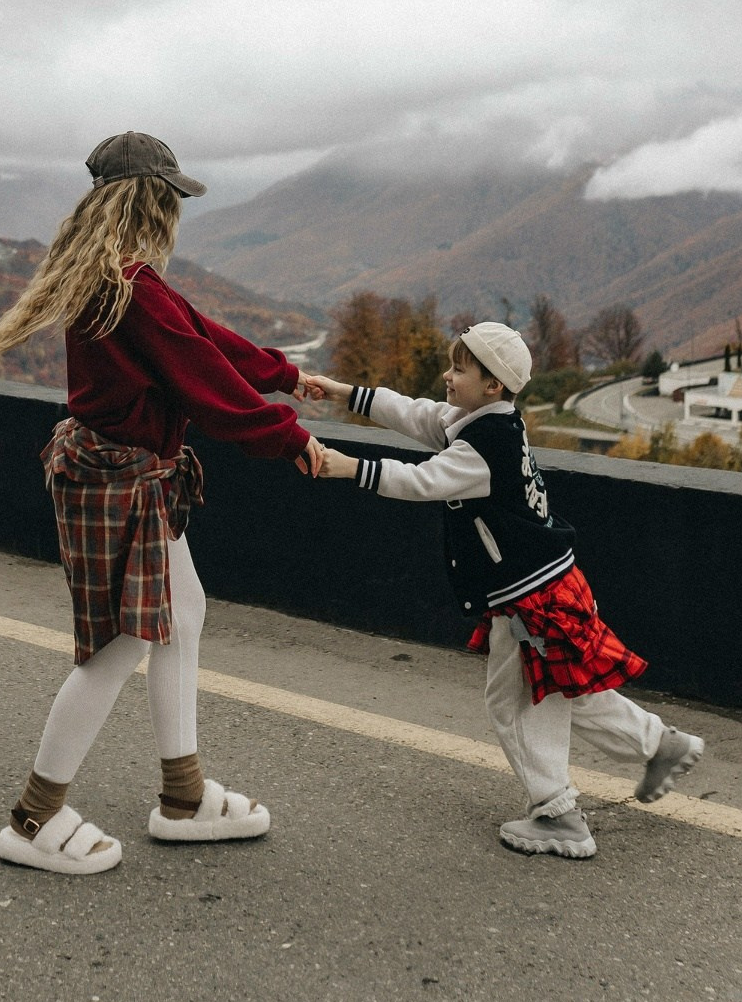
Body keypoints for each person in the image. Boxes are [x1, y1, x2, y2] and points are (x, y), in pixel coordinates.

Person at [0, 131, 324, 875]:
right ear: (152, 201)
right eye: (172, 199)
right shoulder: (127, 289)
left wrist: (285, 375)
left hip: (129, 476)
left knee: (181, 617)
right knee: (120, 645)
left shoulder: (117, 281)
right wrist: (291, 440)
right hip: (119, 481)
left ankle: (184, 795)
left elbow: (201, 337)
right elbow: (205, 383)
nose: (175, 214)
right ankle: (34, 818)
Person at [298, 323, 704, 859]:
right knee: (559, 689)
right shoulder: (483, 422)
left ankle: (558, 813)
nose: (447, 375)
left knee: (514, 702)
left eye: (459, 368)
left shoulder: (482, 447)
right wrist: (343, 391)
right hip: (550, 582)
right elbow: (416, 413)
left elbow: (424, 481)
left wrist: (348, 467)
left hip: (529, 597)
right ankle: (659, 744)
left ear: (493, 385)